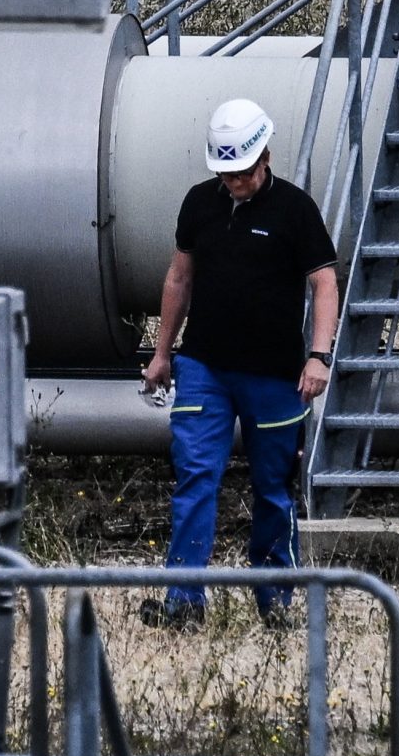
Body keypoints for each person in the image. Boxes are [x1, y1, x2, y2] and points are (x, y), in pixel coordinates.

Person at [137, 98, 339, 630]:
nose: (236, 182)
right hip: (204, 367)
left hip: (274, 375)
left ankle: (277, 606)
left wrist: (319, 356)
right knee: (195, 476)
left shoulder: (296, 210)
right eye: (226, 173)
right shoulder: (199, 204)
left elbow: (324, 284)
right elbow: (179, 278)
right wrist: (162, 353)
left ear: (266, 156)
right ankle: (183, 603)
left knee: (273, 487)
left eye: (244, 172)